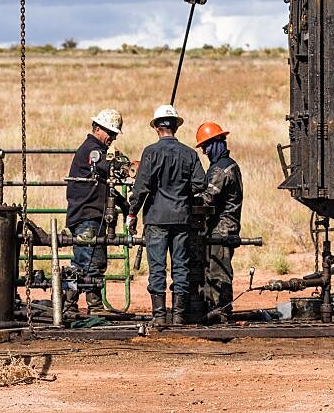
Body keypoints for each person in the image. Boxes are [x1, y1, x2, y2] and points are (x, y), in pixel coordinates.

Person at [127, 104, 207, 326]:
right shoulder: (189, 154)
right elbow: (201, 183)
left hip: (156, 219)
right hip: (181, 219)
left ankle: (160, 316)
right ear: (175, 127)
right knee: (181, 266)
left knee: (157, 267)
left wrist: (132, 213)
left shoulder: (151, 152)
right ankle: (179, 316)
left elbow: (141, 187)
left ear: (156, 128)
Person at [65, 108, 123, 316]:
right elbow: (105, 169)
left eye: (115, 134)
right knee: (89, 262)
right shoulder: (92, 150)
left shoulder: (95, 149)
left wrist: (124, 204)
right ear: (97, 128)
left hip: (89, 215)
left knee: (84, 262)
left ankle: (69, 304)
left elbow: (104, 182)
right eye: (110, 132)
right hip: (87, 216)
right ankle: (90, 306)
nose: (113, 137)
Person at [195, 121, 243, 322]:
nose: (204, 152)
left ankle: (221, 311)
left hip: (221, 230)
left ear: (217, 142)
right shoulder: (227, 165)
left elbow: (207, 199)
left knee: (218, 272)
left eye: (206, 146)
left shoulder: (221, 169)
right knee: (212, 269)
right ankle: (215, 310)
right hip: (223, 228)